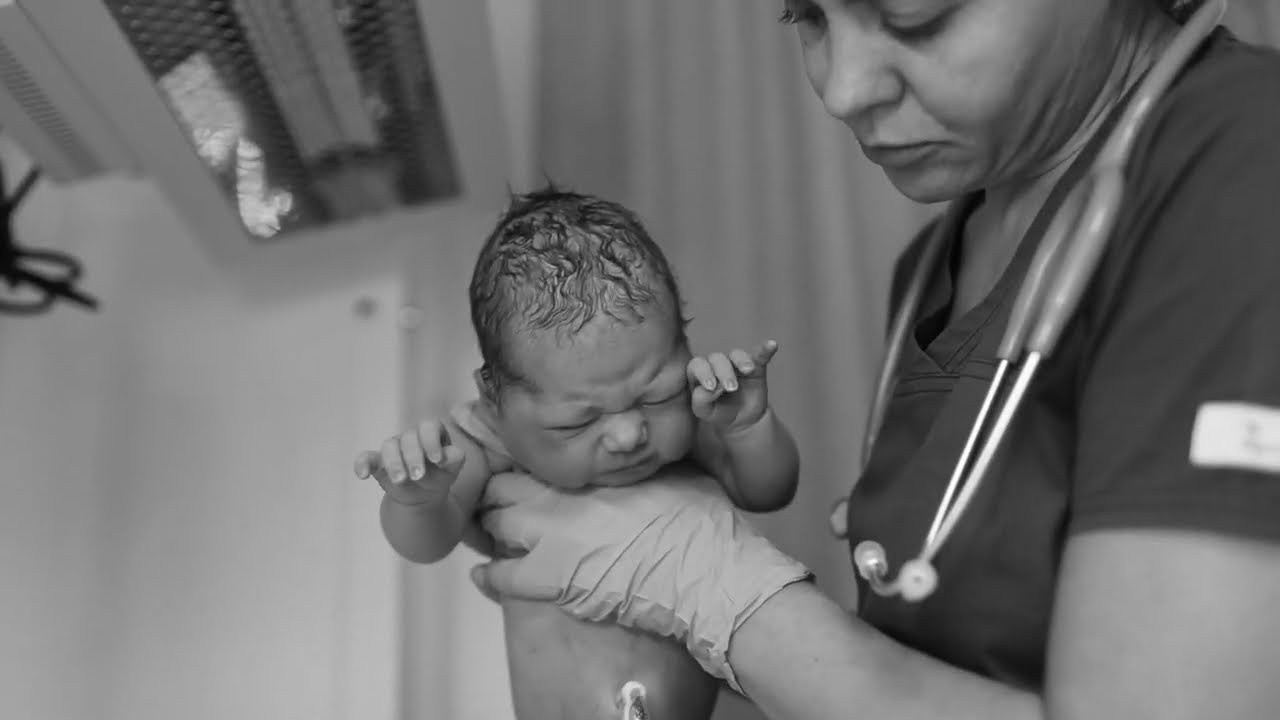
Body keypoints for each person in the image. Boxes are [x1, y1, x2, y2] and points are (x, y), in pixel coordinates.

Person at [465, 1, 1280, 718]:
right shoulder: (931, 272)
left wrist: (715, 587)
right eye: (805, 15)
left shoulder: (1243, 165)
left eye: (916, 13)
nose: (842, 89)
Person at [353, 187, 805, 718]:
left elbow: (771, 489)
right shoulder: (486, 443)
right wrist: (420, 501)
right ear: (494, 400)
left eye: (654, 393)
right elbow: (426, 545)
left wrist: (749, 426)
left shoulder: (692, 419)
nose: (629, 434)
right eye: (580, 420)